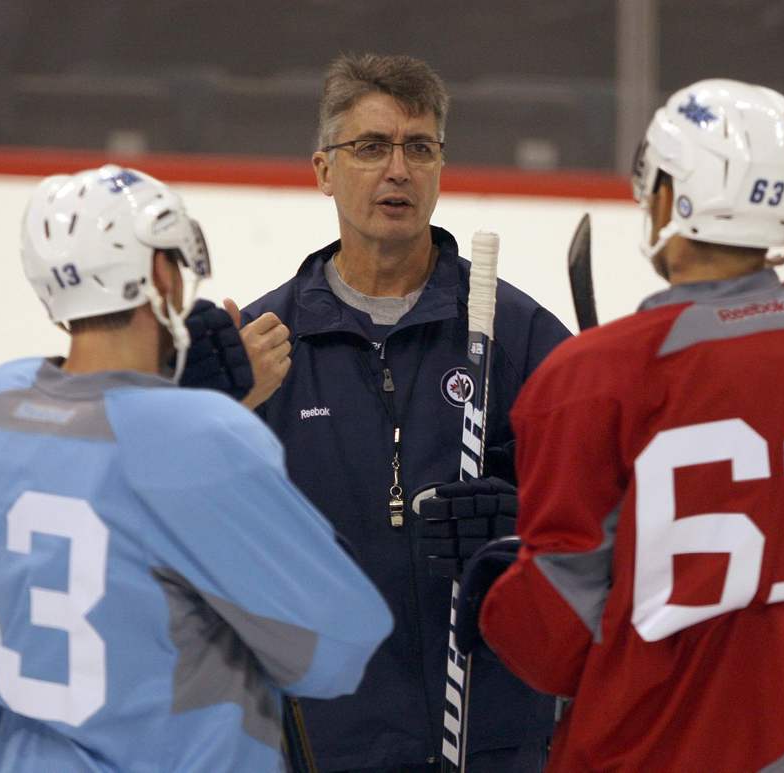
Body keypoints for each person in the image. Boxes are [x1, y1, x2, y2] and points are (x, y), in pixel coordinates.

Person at [479, 79, 784, 772]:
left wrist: (497, 589)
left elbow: (550, 645)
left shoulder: (589, 377)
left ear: (667, 197)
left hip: (648, 748)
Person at [0, 164, 392, 772]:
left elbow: (95, 461)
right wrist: (209, 413)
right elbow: (337, 647)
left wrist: (180, 402)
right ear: (160, 271)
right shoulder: (202, 438)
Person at [235, 53, 571, 772]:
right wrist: (225, 409)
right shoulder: (264, 345)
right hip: (323, 740)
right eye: (371, 147)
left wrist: (520, 518)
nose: (398, 169)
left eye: (419, 148)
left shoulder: (516, 334)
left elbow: (606, 512)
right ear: (323, 170)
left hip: (491, 733)